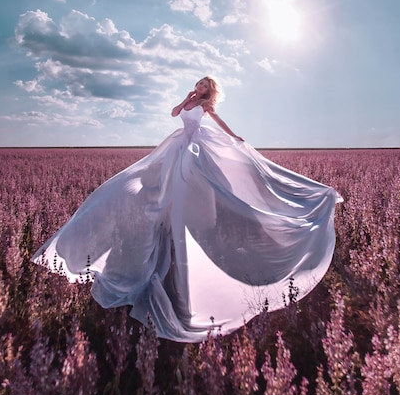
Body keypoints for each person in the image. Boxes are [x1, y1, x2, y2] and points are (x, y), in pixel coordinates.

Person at [32, 76, 342, 342]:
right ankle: (166, 240)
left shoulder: (207, 107)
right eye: (198, 84)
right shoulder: (190, 101)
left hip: (194, 147)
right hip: (178, 145)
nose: (200, 87)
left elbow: (218, 122)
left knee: (192, 187)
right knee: (154, 188)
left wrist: (234, 138)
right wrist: (185, 98)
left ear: (210, 90)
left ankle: (191, 238)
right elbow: (173, 113)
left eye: (204, 85)